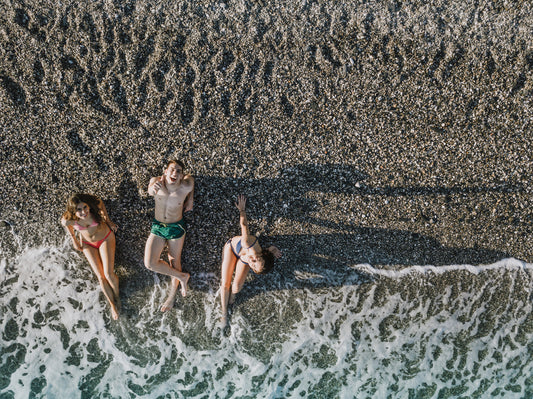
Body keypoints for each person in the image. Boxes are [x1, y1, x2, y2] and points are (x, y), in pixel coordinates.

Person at [220, 195, 282, 325]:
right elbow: (244, 225)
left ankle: (232, 298)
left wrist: (272, 249)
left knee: (236, 287)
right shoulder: (248, 243)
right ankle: (224, 313)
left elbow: (264, 255)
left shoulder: (258, 259)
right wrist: (242, 210)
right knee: (225, 283)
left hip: (243, 258)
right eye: (255, 260)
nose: (252, 261)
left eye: (253, 266)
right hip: (233, 248)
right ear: (261, 254)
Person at [144, 159, 193, 312]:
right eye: (172, 169)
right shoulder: (155, 182)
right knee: (150, 263)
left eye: (179, 171)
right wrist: (153, 188)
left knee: (174, 260)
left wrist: (190, 199)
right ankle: (182, 277)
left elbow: (191, 179)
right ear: (165, 172)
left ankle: (171, 297)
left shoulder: (186, 186)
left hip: (176, 227)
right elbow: (150, 191)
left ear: (182, 176)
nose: (175, 173)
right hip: (158, 226)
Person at [61, 193, 120, 320]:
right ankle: (112, 305)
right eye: (79, 210)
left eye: (85, 207)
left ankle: (117, 296)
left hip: (105, 239)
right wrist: (74, 240)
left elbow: (101, 203)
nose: (83, 212)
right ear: (73, 210)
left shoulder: (94, 206)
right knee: (101, 277)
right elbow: (66, 225)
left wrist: (109, 221)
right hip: (88, 244)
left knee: (109, 274)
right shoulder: (68, 219)